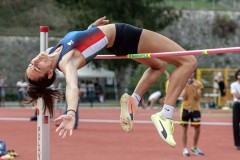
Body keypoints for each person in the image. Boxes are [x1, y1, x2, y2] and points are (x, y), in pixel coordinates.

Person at [25, 16, 197, 146]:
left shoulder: (52, 50)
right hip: (123, 35)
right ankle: (165, 115)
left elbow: (83, 42)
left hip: (115, 42)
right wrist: (71, 113)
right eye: (37, 67)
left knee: (159, 66)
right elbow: (72, 86)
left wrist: (92, 28)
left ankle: (133, 102)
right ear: (49, 74)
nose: (36, 61)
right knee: (188, 62)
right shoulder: (66, 63)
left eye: (32, 63)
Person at [180, 71, 204, 156]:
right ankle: (185, 149)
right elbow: (184, 96)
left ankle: (194, 147)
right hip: (185, 109)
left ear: (194, 73)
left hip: (195, 109)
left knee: (197, 129)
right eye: (189, 72)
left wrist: (196, 89)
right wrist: (186, 86)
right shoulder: (183, 82)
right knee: (184, 129)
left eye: (192, 72)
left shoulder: (198, 83)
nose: (191, 74)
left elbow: (197, 98)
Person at [230, 69, 240, 150]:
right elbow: (237, 96)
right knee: (236, 124)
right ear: (237, 76)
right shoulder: (233, 84)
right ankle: (238, 143)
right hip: (237, 105)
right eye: (239, 74)